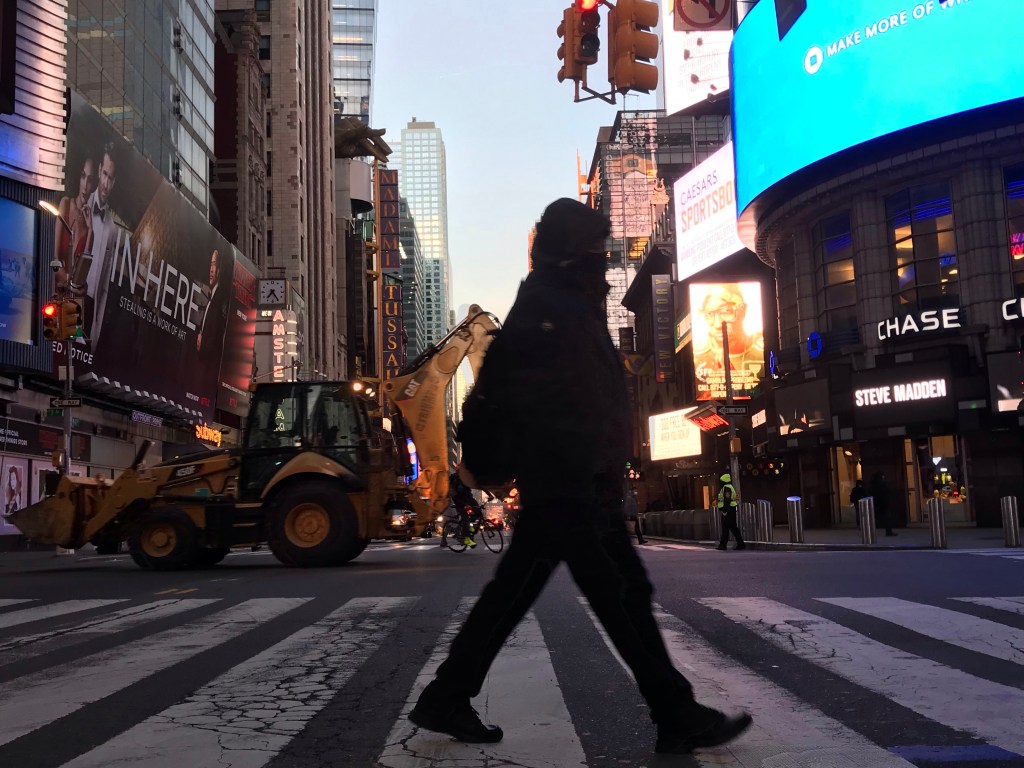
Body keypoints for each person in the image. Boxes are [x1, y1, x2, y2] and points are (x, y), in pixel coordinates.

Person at [409, 198, 751, 755]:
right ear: (573, 250)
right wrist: (579, 473)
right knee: (617, 596)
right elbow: (553, 401)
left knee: (539, 593)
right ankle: (675, 712)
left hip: (579, 484)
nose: (604, 257)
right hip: (569, 487)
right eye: (596, 246)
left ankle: (447, 696)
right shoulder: (552, 306)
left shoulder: (564, 301)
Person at [692, 283, 764, 399]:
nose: (717, 324)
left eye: (726, 311)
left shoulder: (763, 349)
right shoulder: (697, 358)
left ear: (743, 310)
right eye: (709, 314)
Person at [83, 142, 118, 344]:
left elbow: (104, 287)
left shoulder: (112, 228)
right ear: (98, 170)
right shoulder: (84, 203)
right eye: (104, 174)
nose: (105, 183)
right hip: (73, 296)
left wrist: (95, 330)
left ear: (114, 182)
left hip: (91, 305)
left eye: (110, 178)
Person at [52, 156, 97, 294]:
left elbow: (81, 275)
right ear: (79, 177)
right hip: (53, 288)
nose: (85, 185)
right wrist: (69, 282)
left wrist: (90, 230)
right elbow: (54, 260)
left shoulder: (90, 231)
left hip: (70, 298)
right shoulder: (65, 204)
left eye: (90, 180)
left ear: (94, 185)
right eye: (83, 176)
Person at [450, 470, 483, 549]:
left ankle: (469, 526)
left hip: (468, 498)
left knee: (478, 512)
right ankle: (466, 538)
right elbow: (453, 494)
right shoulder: (455, 480)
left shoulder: (468, 478)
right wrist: (464, 504)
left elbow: (478, 485)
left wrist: (489, 494)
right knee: (465, 519)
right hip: (458, 500)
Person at [715, 472, 745, 551]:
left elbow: (727, 500)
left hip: (728, 510)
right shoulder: (729, 487)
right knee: (733, 528)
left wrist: (725, 510)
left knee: (726, 528)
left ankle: (723, 545)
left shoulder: (727, 488)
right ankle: (740, 544)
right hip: (730, 509)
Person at [870, 471, 896, 536]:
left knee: (874, 517)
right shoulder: (882, 484)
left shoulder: (873, 484)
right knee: (887, 518)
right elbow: (885, 493)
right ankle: (888, 531)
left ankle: (870, 532)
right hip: (883, 503)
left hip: (876, 503)